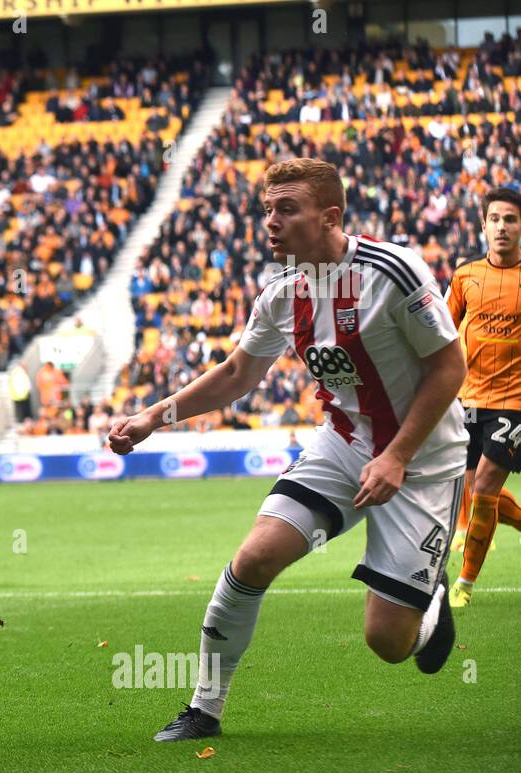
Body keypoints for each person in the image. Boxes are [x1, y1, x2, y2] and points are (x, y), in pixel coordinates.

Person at [110, 158, 466, 742]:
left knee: (387, 643)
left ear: (331, 216)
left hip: (424, 460)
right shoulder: (281, 291)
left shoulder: (394, 270)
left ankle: (431, 600)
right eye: (267, 210)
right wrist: (155, 415)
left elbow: (449, 366)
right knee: (252, 560)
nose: (271, 222)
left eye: (287, 210)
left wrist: (398, 455)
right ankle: (205, 708)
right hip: (345, 445)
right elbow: (236, 374)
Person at [446, 186, 521, 607]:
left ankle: (465, 584)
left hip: (515, 403)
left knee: (488, 484)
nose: (502, 227)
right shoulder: (465, 276)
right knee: (477, 496)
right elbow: (439, 329)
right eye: (495, 219)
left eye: (510, 219)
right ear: (483, 225)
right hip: (469, 400)